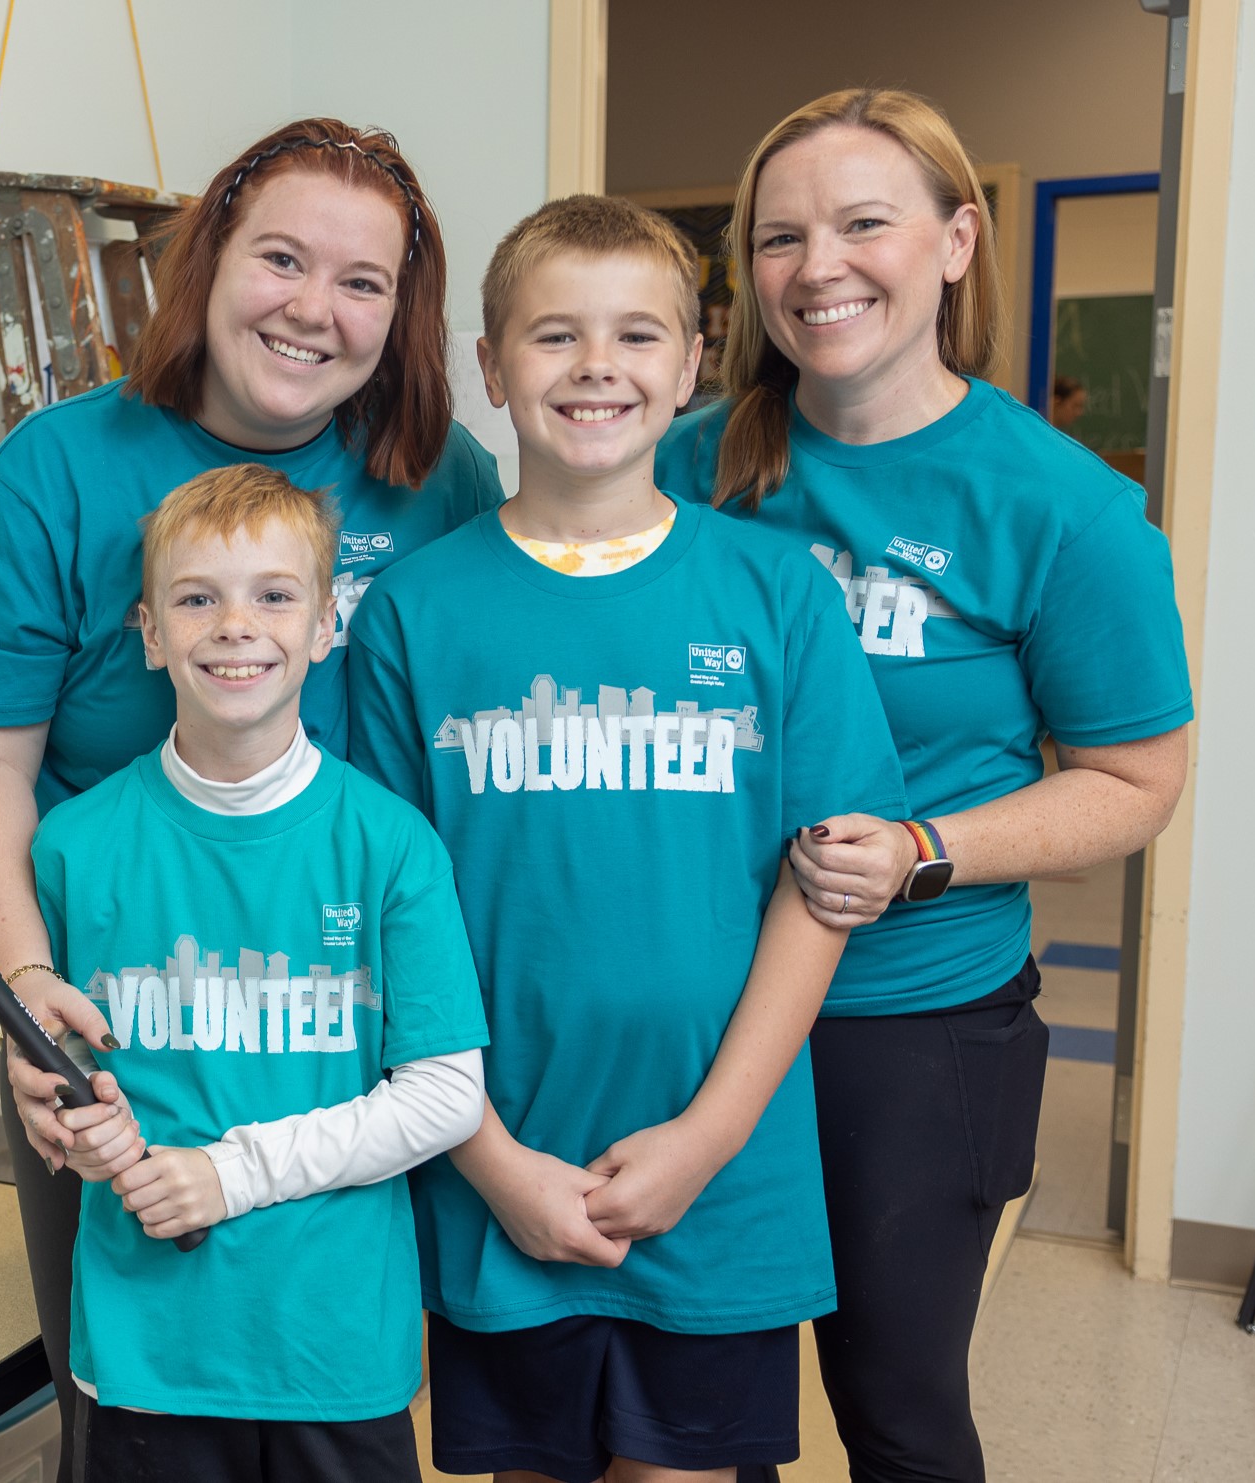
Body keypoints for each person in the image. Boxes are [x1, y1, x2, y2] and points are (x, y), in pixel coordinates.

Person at [0, 116, 503, 1470]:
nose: (314, 308)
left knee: (327, 1362)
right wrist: (29, 981)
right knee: (123, 1383)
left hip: (345, 1010)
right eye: (280, 258)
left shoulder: (439, 481)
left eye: (362, 282)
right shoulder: (53, 477)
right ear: (208, 259)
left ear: (399, 312)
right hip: (127, 1006)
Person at [654, 89, 1192, 1483]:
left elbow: (1134, 780)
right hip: (684, 998)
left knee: (893, 1408)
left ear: (955, 241)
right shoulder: (682, 461)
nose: (815, 264)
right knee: (697, 1404)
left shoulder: (1058, 508)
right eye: (777, 235)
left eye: (860, 224)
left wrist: (920, 846)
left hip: (906, 1022)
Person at [348, 194, 907, 1483]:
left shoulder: (775, 597)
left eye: (636, 335)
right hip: (498, 1167)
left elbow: (821, 892)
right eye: (553, 337)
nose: (596, 366)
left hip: (721, 1173)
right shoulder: (416, 614)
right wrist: (489, 1162)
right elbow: (379, 923)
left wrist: (707, 1137)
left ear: (693, 361)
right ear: (490, 369)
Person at [31, 464, 488, 1481]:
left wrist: (227, 1173)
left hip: (334, 1347)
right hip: (150, 1350)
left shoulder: (390, 845)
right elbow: (53, 1081)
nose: (236, 625)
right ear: (150, 633)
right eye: (198, 598)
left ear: (327, 624)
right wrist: (72, 1128)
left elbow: (447, 1096)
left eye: (274, 595)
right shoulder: (70, 848)